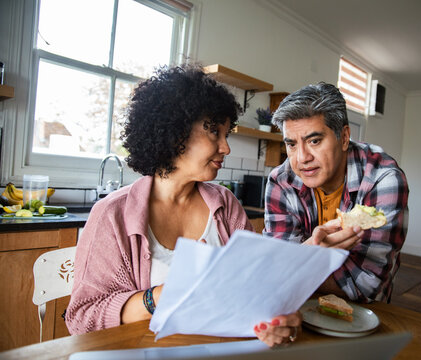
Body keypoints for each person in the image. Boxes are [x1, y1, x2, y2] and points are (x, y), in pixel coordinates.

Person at [66, 64, 300, 347]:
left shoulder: (226, 205)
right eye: (214, 132)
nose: (226, 147)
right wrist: (161, 296)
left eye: (227, 134)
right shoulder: (112, 215)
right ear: (174, 132)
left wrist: (273, 318)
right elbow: (82, 317)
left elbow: (255, 288)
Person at [264, 82, 409, 303]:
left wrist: (300, 264)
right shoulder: (281, 180)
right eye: (291, 144)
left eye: (314, 141)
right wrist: (311, 254)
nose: (302, 158)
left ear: (343, 138)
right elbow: (275, 265)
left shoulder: (383, 179)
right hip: (297, 306)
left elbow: (365, 283)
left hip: (364, 316)